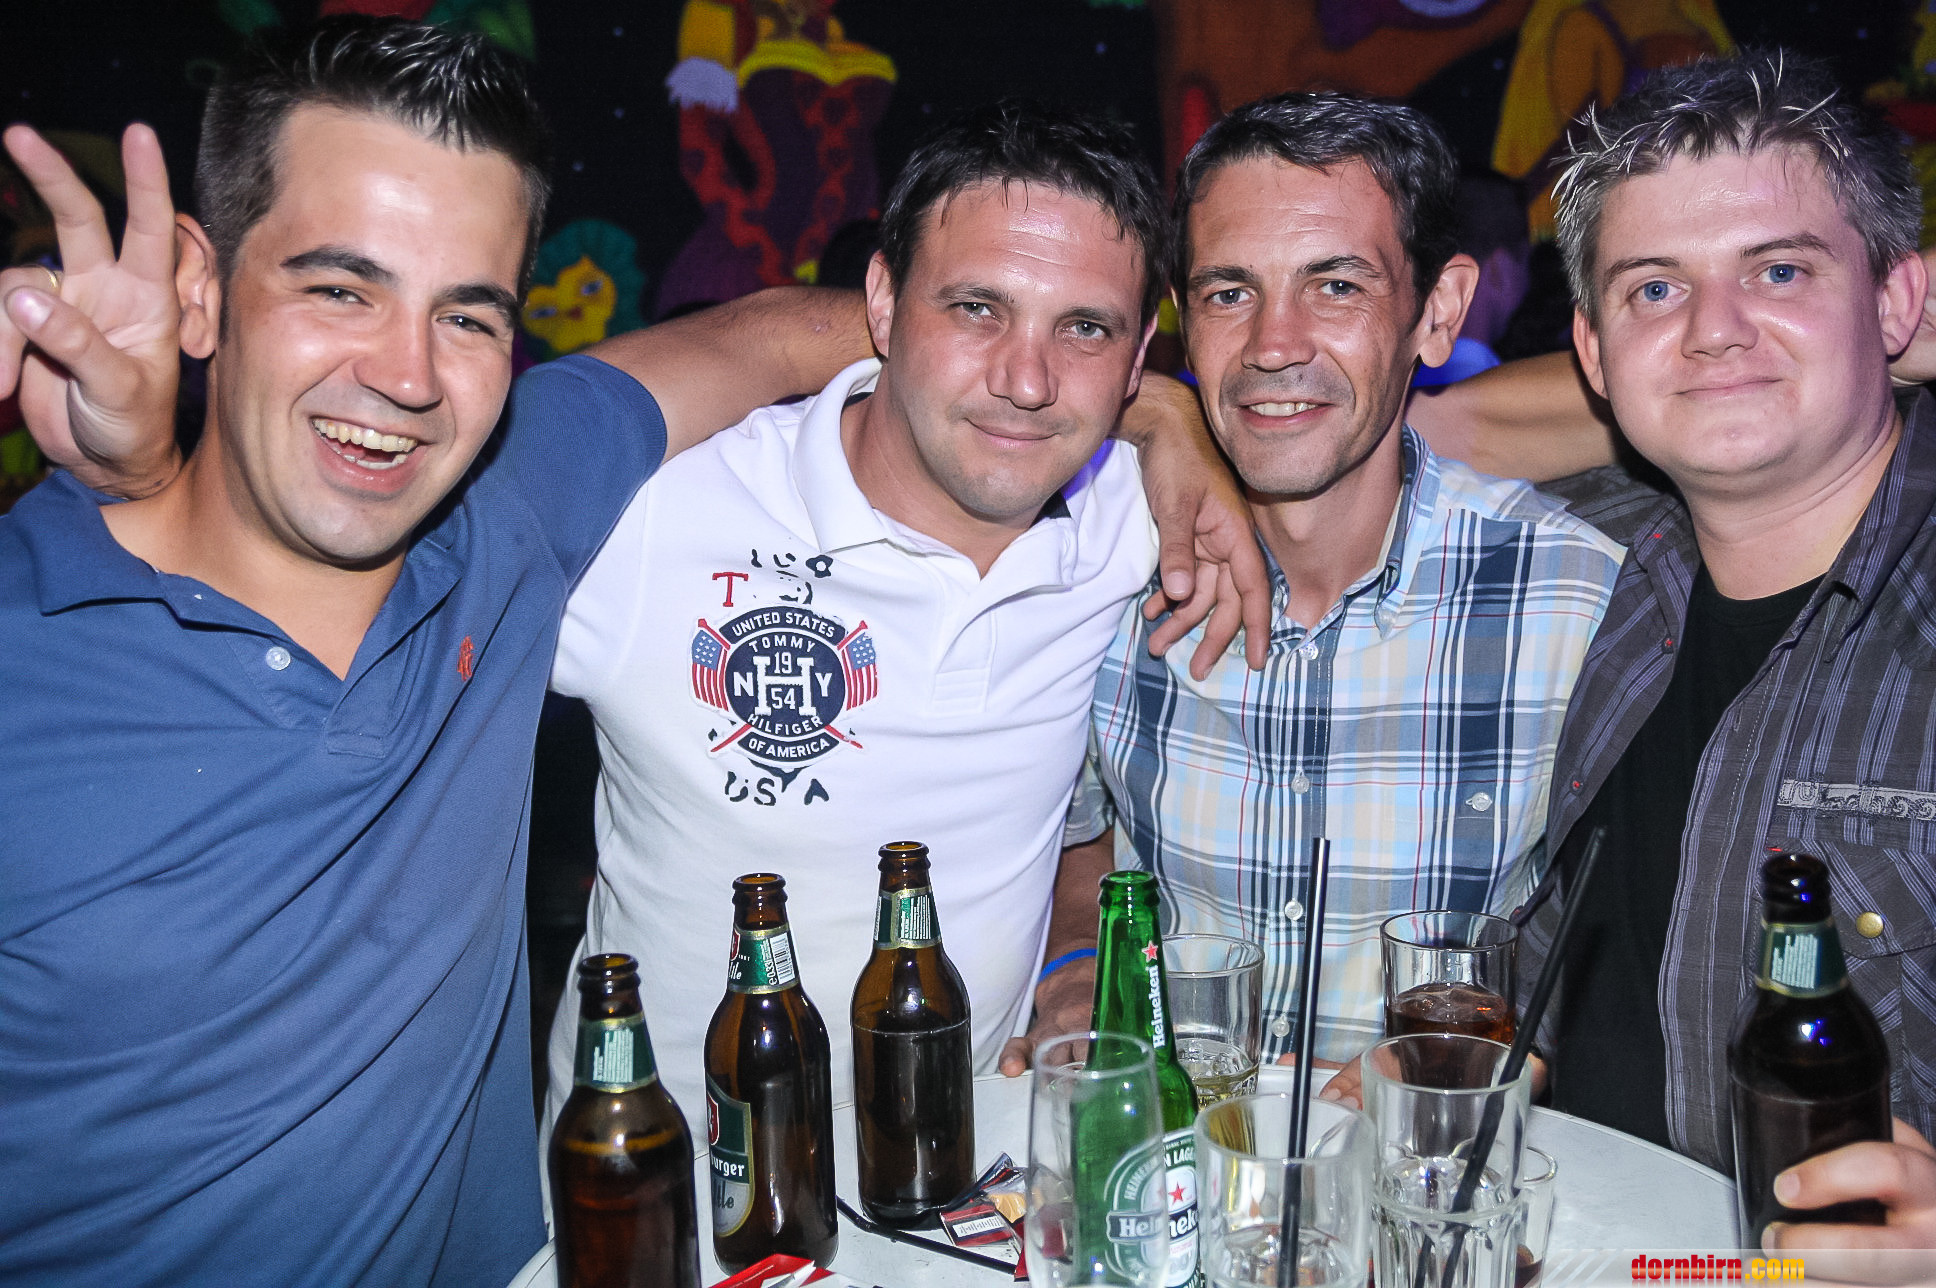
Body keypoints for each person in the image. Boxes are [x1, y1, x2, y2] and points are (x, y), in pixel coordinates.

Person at [0, 26, 1253, 1282]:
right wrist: (137, 473)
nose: (405, 374)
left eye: (468, 314)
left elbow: (764, 332)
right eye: (339, 289)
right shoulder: (604, 528)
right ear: (200, 289)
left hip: (925, 1217)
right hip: (657, 1233)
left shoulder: (513, 516)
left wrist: (1162, 411)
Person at [540, 101, 1268, 1136]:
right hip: (682, 1193)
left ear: (1139, 350)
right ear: (880, 304)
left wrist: (1174, 418)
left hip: (971, 1185)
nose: (1026, 381)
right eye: (977, 308)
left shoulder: (1140, 525)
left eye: (1084, 328)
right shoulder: (665, 517)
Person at [1015, 93, 1624, 1069]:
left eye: (1335, 286)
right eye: (1229, 293)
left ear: (1438, 311)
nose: (1273, 344)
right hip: (1176, 1146)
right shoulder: (1095, 573)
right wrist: (1079, 966)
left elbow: (1630, 940)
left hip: (1426, 1158)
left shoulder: (1577, 601)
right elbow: (1076, 836)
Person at [1514, 50, 1936, 1257]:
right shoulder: (1586, 565)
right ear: (1594, 353)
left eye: (1779, 270)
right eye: (1654, 288)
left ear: (1897, 304)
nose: (1712, 330)